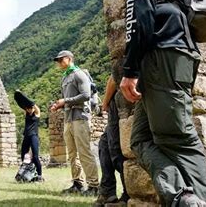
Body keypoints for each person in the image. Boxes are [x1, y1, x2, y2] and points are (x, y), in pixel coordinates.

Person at [99, 0, 206, 206]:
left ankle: (197, 202)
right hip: (166, 57)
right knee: (139, 139)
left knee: (179, 139)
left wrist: (130, 71)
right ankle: (183, 197)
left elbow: (141, 14)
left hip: (164, 55)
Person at [50, 50, 99, 196]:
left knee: (84, 152)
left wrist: (65, 101)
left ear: (69, 59)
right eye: (57, 60)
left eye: (61, 60)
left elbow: (86, 95)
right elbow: (66, 98)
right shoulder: (65, 78)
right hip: (68, 118)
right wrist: (58, 105)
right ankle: (77, 183)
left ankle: (94, 186)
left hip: (80, 117)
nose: (58, 62)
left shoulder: (79, 74)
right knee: (72, 154)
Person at [93, 75, 129, 206]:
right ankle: (108, 192)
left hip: (120, 103)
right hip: (117, 102)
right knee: (104, 144)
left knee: (117, 149)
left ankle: (128, 195)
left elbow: (114, 77)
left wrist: (105, 102)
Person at [21, 104, 44, 182]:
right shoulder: (26, 114)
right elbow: (21, 104)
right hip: (26, 137)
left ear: (33, 108)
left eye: (30, 108)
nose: (29, 110)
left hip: (33, 136)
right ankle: (28, 173)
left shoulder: (36, 114)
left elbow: (36, 108)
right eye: (28, 108)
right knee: (23, 156)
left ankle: (40, 175)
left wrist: (32, 104)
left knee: (35, 157)